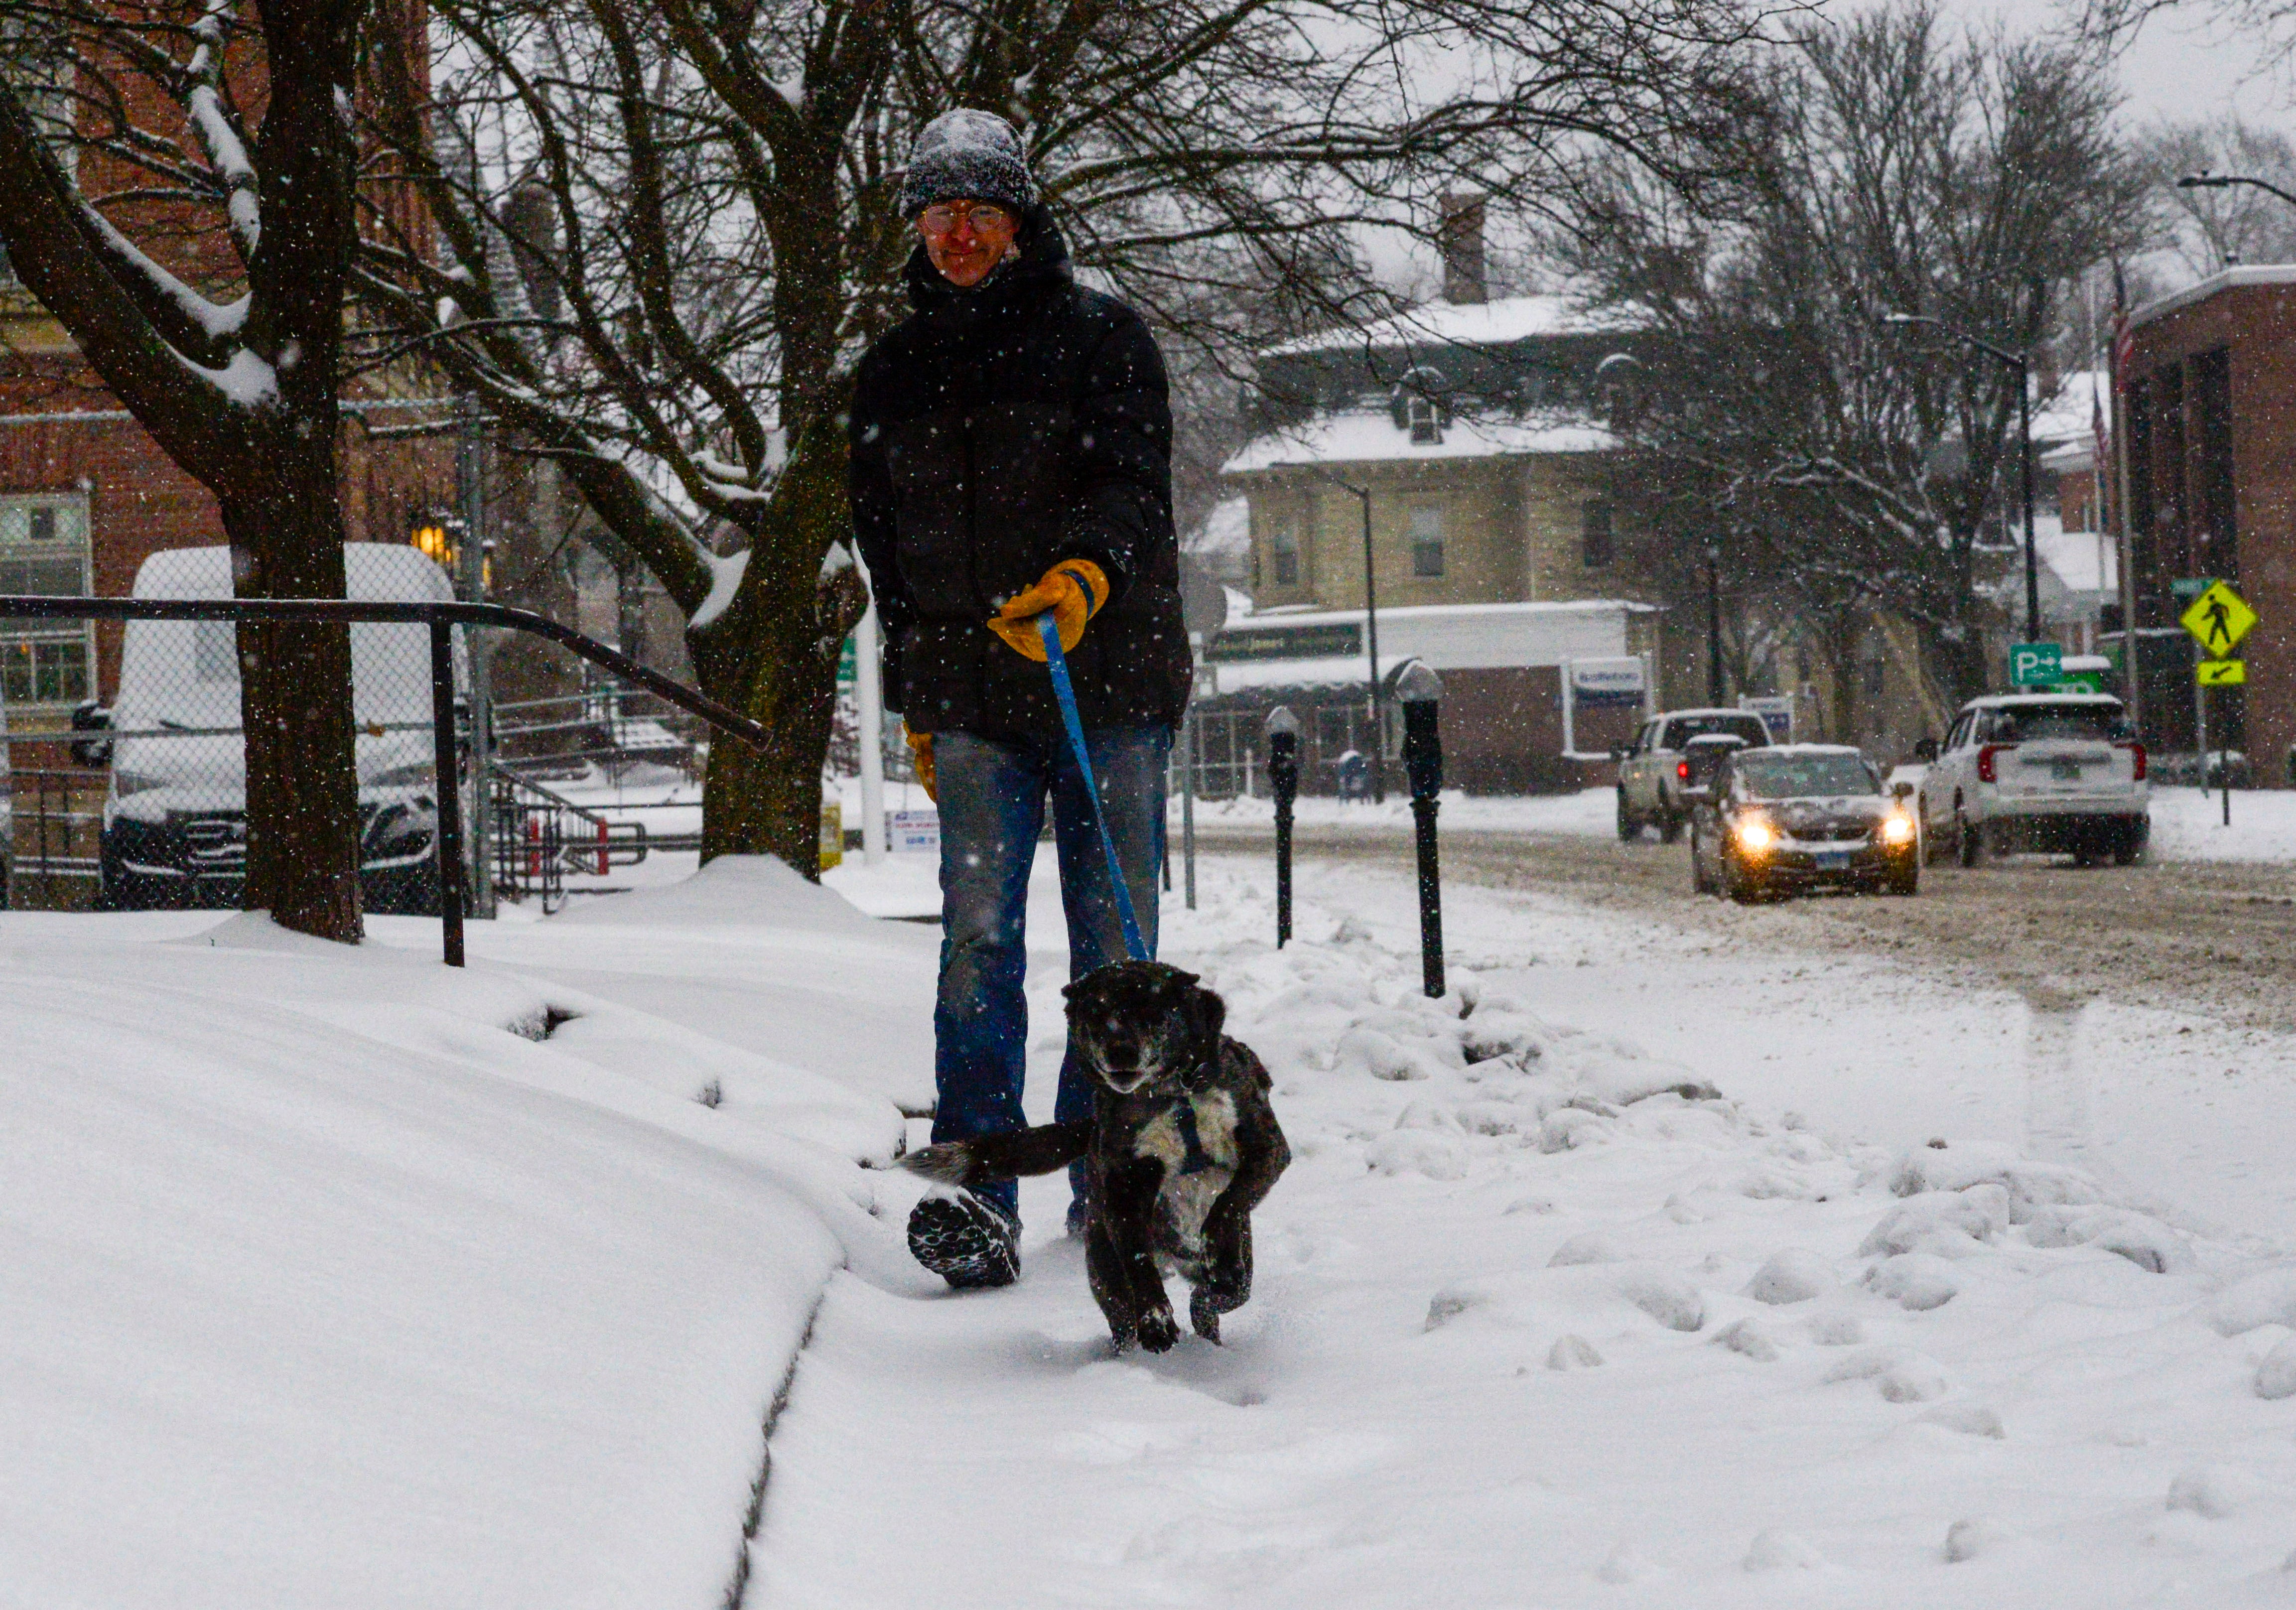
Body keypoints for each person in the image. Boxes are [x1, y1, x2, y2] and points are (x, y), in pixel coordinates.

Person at [849, 109, 1191, 1289]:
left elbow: (1131, 482)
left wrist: (1086, 572)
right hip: (976, 702)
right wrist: (918, 701)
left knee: (1113, 950)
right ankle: (981, 1193)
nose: (957, 233)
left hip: (1109, 686)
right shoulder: (889, 374)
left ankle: (1113, 1181)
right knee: (977, 944)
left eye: (979, 211)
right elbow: (887, 552)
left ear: (1018, 220)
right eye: (939, 212)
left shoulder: (1101, 338)